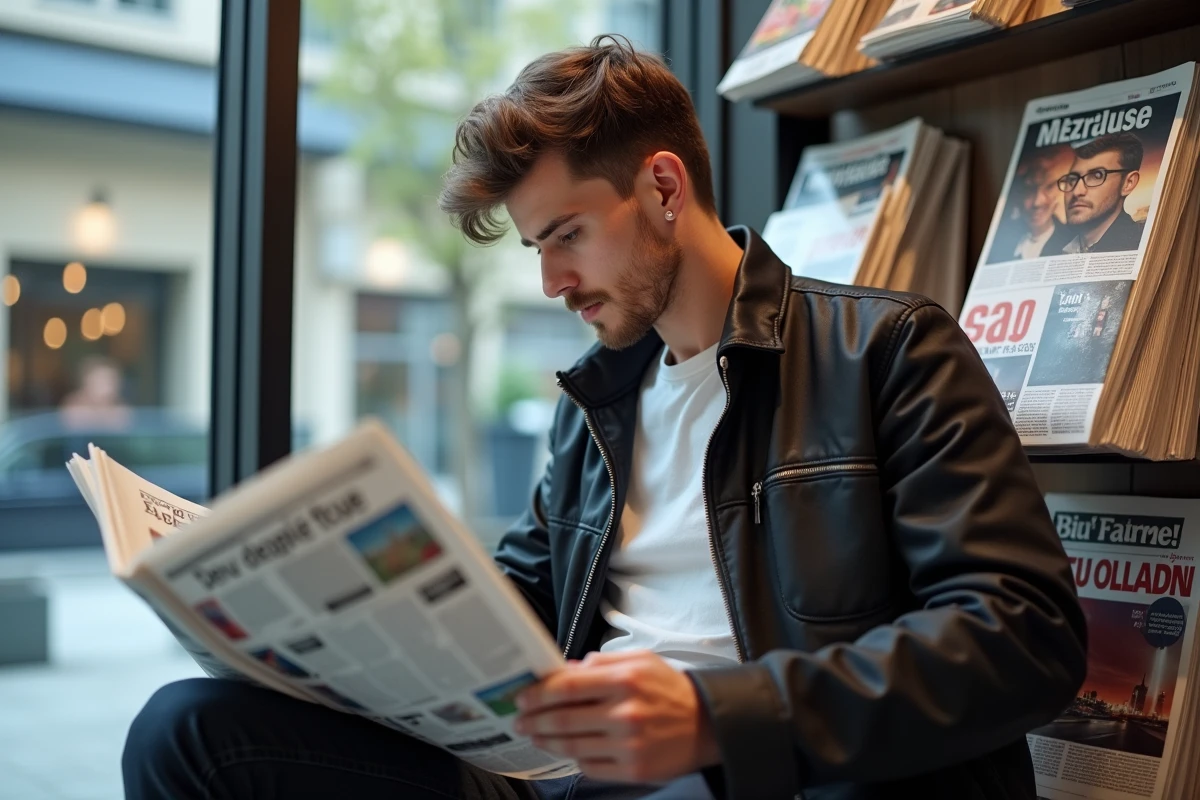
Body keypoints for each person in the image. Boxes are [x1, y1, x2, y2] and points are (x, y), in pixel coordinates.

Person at [123, 36, 1087, 800]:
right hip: (559, 772)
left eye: (567, 236)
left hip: (750, 771)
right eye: (539, 249)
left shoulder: (887, 352)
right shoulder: (597, 405)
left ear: (664, 189)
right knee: (187, 731)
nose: (550, 282)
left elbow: (1020, 633)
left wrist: (719, 716)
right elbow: (521, 606)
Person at [1055, 132, 1146, 254]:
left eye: (1096, 175)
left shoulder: (1142, 244)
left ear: (1128, 183)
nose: (1077, 191)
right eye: (1073, 179)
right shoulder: (1057, 250)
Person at [990, 145, 1076, 263]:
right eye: (1029, 189)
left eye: (1049, 187)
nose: (1037, 202)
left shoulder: (1073, 242)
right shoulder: (1000, 241)